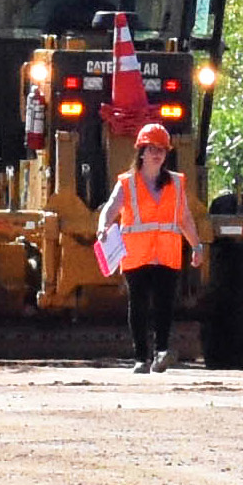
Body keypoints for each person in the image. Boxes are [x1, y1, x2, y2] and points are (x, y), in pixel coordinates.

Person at [97, 119, 197, 372]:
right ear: (141, 152)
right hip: (136, 255)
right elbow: (111, 208)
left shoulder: (175, 183)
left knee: (164, 305)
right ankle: (141, 358)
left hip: (167, 255)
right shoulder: (127, 183)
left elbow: (184, 217)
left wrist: (197, 246)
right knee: (139, 305)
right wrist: (102, 227)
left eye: (161, 150)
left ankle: (161, 352)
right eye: (151, 149)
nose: (156, 154)